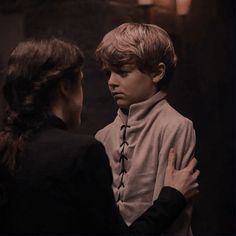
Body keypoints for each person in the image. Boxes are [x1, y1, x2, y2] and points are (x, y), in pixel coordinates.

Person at [0, 38, 199, 234]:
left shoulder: (7, 147)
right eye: (81, 82)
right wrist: (173, 197)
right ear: (65, 87)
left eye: (122, 72)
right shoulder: (82, 151)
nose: (111, 83)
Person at [95, 23, 196, 235]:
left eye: (122, 72)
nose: (112, 82)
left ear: (157, 73)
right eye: (107, 73)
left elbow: (173, 210)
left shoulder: (175, 126)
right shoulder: (103, 136)